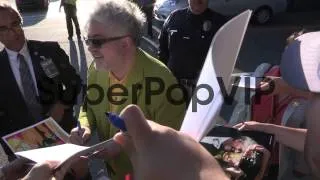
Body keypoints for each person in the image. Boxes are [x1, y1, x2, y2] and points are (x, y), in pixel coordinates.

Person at [69, 0, 186, 179]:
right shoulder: (96, 69)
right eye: (88, 39)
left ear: (125, 43)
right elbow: (88, 107)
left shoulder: (163, 81)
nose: (90, 48)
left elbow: (174, 145)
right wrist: (83, 126)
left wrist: (125, 144)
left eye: (97, 41)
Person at [0, 2, 82, 161]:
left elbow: (75, 82)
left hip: (62, 132)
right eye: (3, 28)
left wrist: (62, 104)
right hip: (24, 146)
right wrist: (12, 152)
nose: (13, 32)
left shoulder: (49, 50)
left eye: (15, 24)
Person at [236, 31, 320, 179]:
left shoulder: (312, 97)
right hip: (251, 151)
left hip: (282, 167)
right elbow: (243, 107)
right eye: (292, 56)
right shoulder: (265, 71)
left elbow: (311, 142)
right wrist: (255, 128)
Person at [158, 0, 227, 99]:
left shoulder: (219, 23)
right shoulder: (174, 17)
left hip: (203, 89)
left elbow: (226, 56)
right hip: (173, 86)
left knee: (197, 114)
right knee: (174, 114)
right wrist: (163, 76)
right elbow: (162, 49)